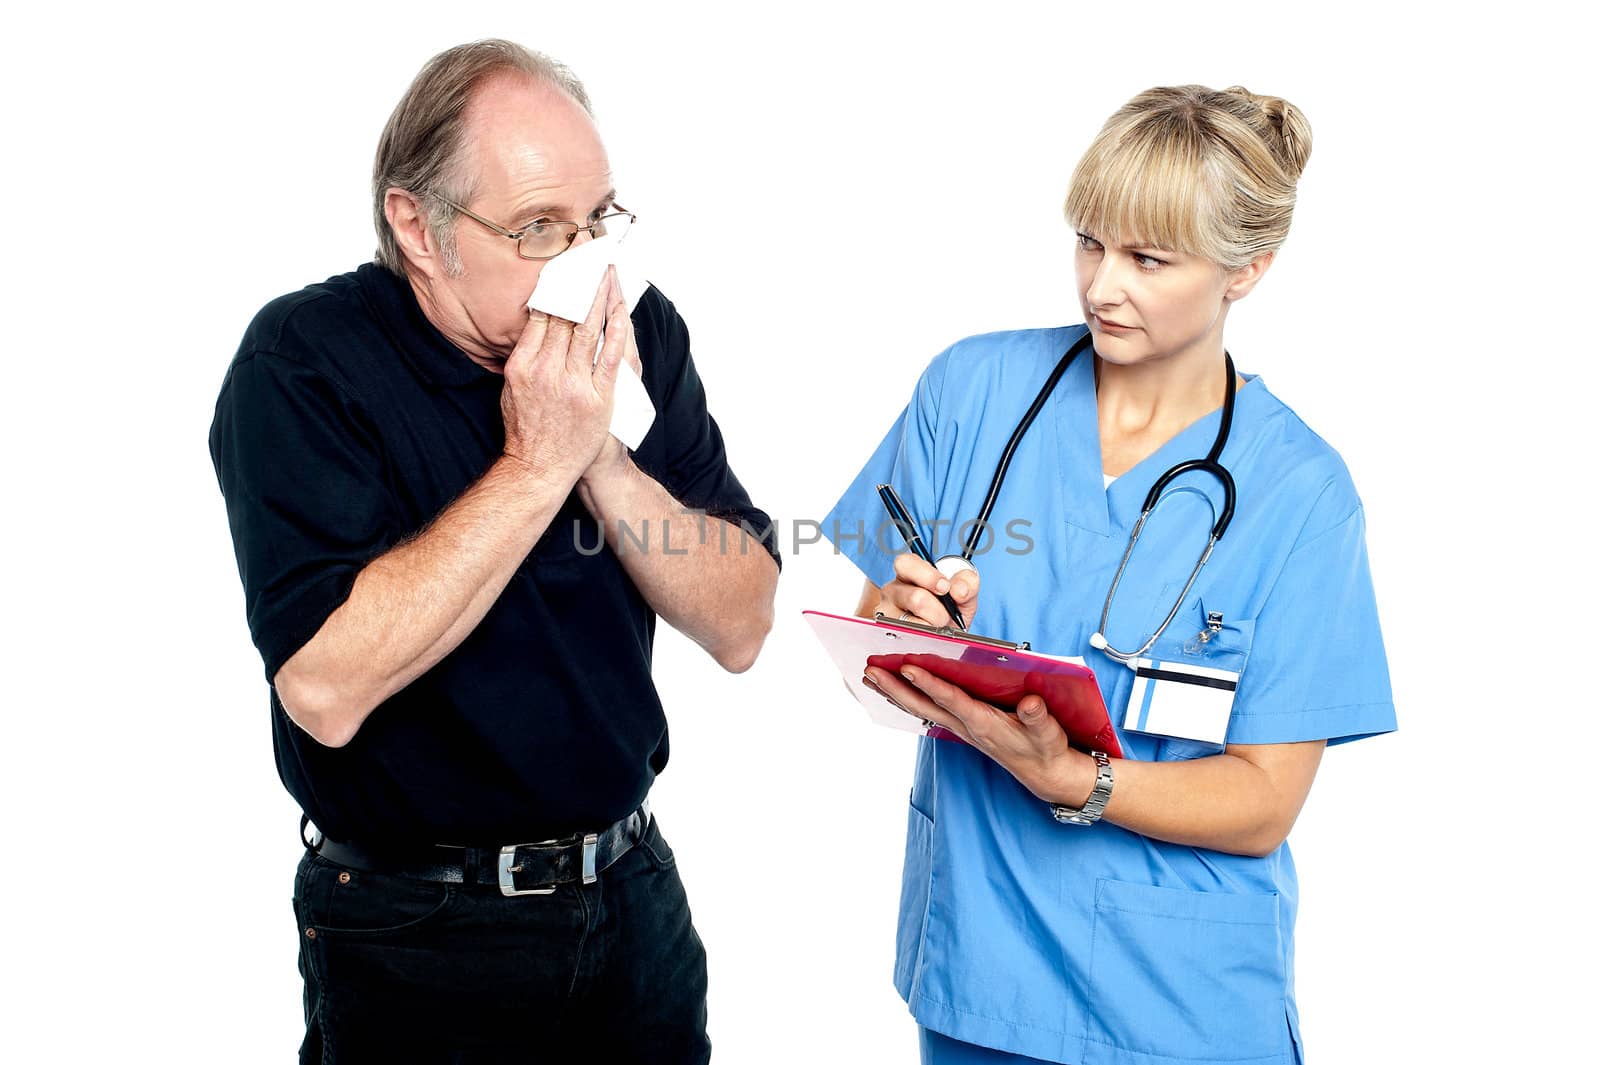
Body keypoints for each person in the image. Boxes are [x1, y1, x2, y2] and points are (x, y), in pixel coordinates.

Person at [208, 40, 779, 1063]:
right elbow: (328, 688)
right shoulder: (304, 362)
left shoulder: (632, 329)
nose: (583, 262)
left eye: (597, 221)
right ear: (416, 228)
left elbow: (741, 621)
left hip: (632, 896)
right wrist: (532, 464)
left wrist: (596, 452)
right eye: (536, 229)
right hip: (417, 929)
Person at [823, 85, 1395, 1064]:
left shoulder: (1299, 491)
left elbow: (1263, 803)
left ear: (1247, 269)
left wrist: (1080, 781)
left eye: (1147, 259)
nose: (1100, 287)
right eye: (1089, 242)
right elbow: (869, 657)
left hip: (1180, 1009)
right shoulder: (973, 393)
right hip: (977, 981)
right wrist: (906, 625)